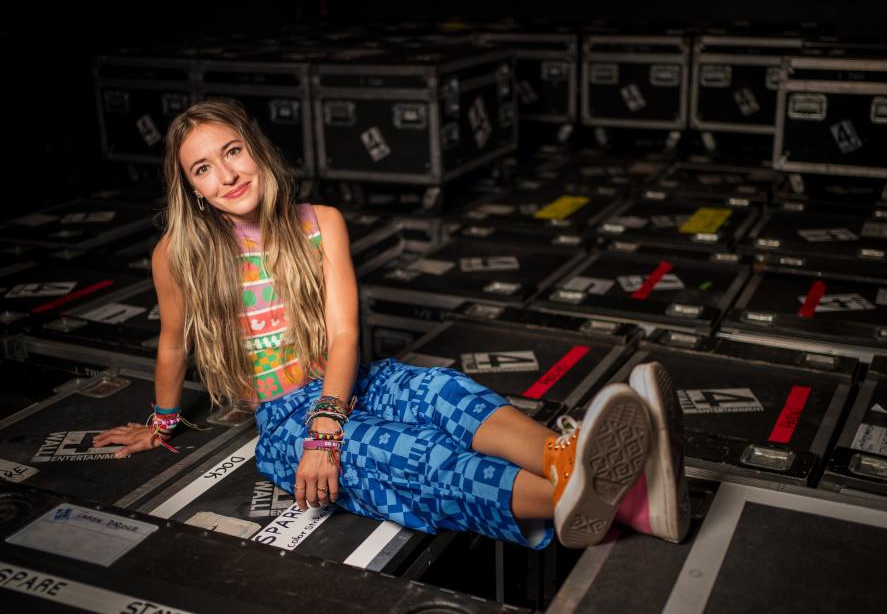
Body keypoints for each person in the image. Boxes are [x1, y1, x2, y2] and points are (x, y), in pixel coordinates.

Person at [92, 100, 689, 549]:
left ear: (255, 149)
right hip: (284, 417)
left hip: (348, 380)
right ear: (191, 189)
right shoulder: (178, 252)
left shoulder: (319, 222)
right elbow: (174, 341)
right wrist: (161, 423)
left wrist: (329, 421)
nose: (225, 175)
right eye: (202, 168)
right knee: (413, 457)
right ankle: (597, 500)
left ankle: (574, 461)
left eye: (232, 152)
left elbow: (346, 335)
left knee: (444, 392)